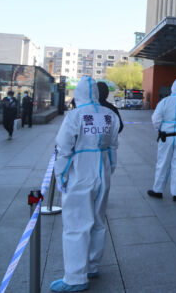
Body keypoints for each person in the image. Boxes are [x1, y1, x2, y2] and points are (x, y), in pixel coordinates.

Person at [51, 76, 120, 292]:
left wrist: (60, 175)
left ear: (78, 93)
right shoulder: (109, 114)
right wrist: (109, 171)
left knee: (76, 223)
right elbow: (114, 146)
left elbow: (64, 148)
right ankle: (91, 265)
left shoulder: (75, 115)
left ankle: (74, 278)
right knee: (98, 220)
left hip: (81, 172)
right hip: (103, 170)